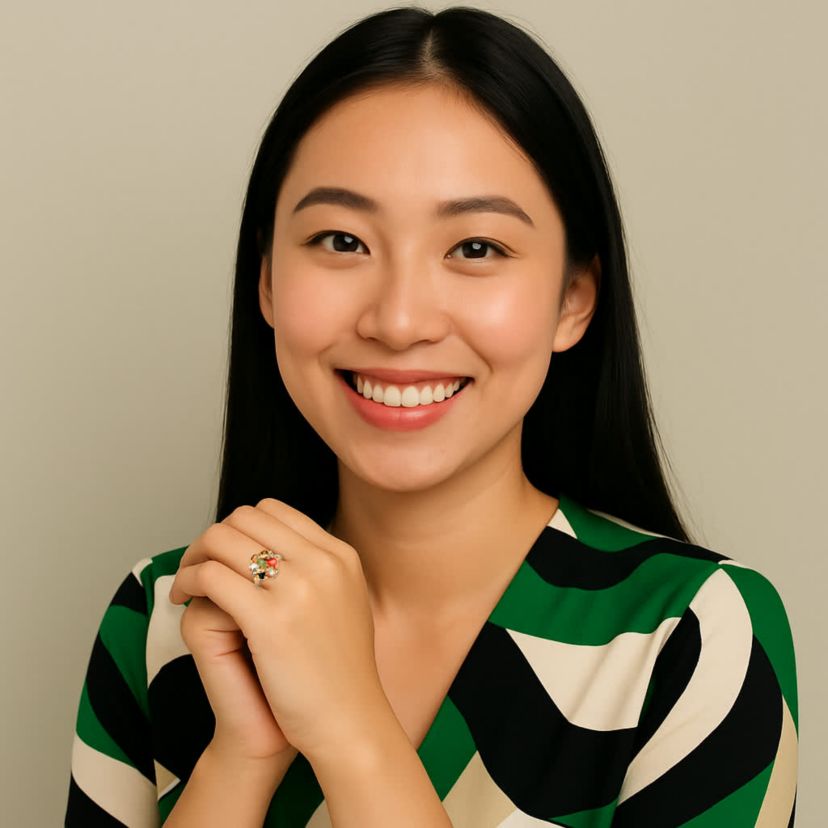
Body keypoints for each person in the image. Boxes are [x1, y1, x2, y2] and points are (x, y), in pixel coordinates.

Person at [64, 5, 798, 827]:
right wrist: (243, 757)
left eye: (475, 248)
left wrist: (354, 732)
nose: (400, 318)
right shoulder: (163, 619)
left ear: (573, 299)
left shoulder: (693, 637)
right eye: (342, 241)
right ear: (267, 281)